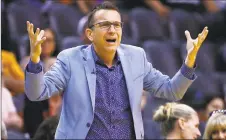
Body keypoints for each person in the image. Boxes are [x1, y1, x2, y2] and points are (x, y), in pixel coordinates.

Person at [25, 1, 208, 139]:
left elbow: (171, 90)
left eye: (117, 25)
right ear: (90, 34)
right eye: (105, 25)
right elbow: (36, 93)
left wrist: (189, 61)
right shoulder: (70, 59)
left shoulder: (136, 57)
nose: (112, 30)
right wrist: (34, 59)